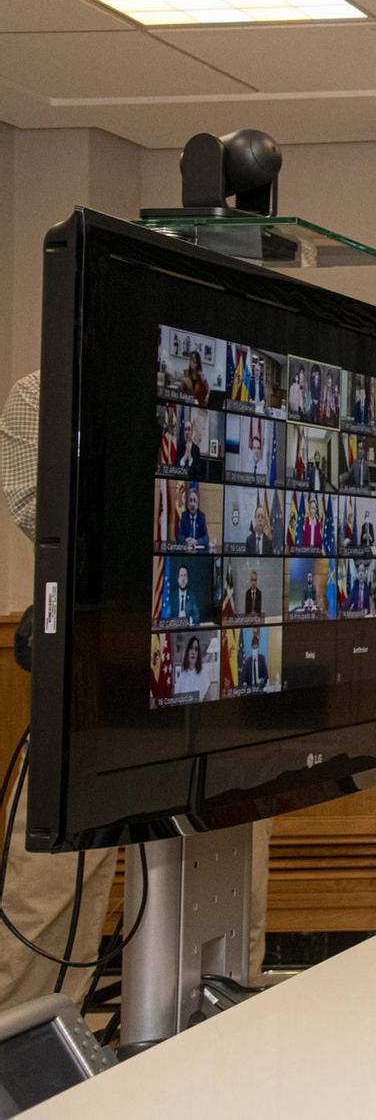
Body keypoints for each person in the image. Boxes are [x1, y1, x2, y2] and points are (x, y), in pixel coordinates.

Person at [1, 371, 119, 1011]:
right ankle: (24, 1073)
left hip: (220, 656)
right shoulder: (44, 389)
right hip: (95, 655)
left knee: (221, 868)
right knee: (52, 887)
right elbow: (34, 509)